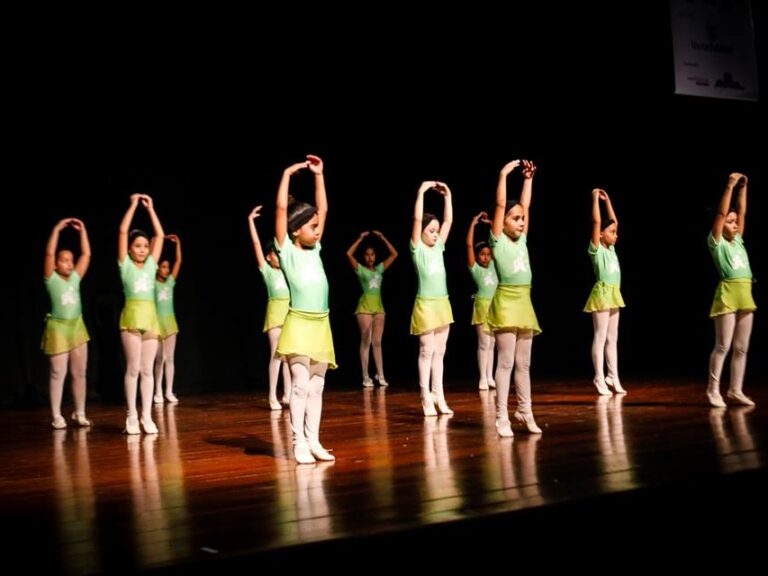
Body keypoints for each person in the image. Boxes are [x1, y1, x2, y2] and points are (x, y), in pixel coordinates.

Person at [274, 154, 336, 464]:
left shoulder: (317, 247)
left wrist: (319, 175)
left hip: (321, 324)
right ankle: (298, 440)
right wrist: (288, 173)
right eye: (312, 227)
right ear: (296, 230)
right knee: (299, 385)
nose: (318, 230)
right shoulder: (286, 250)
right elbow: (282, 209)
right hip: (299, 322)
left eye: (318, 226)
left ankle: (313, 439)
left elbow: (323, 208)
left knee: (317, 386)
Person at [487, 160, 542, 437]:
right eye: (515, 218)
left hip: (524, 303)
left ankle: (525, 410)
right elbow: (499, 205)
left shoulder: (522, 240)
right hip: (506, 303)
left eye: (521, 219)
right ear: (503, 222)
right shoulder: (498, 241)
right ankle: (501, 417)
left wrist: (528, 179)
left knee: (524, 364)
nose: (520, 222)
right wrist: (504, 174)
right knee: (506, 362)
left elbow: (526, 204)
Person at [706, 173, 756, 407]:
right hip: (727, 294)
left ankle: (735, 389)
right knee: (723, 345)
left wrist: (744, 188)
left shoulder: (738, 241)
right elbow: (721, 213)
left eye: (736, 222)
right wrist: (730, 186)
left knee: (742, 347)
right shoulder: (717, 243)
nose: (734, 224)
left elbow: (742, 212)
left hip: (745, 294)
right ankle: (713, 389)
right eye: (730, 221)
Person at [118, 193, 166, 435]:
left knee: (148, 370)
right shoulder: (125, 264)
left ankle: (147, 416)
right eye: (137, 246)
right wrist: (134, 206)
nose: (142, 249)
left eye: (145, 246)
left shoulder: (150, 265)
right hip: (131, 319)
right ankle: (131, 416)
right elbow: (122, 231)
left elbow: (159, 235)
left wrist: (151, 208)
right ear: (129, 249)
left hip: (150, 319)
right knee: (133, 368)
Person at [42, 218, 92, 429]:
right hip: (58, 328)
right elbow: (49, 253)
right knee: (57, 373)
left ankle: (79, 413)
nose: (69, 263)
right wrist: (56, 230)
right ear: (55, 264)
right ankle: (56, 414)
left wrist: (82, 232)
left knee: (79, 372)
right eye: (64, 260)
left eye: (71, 260)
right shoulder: (51, 278)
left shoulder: (75, 278)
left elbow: (87, 255)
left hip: (77, 327)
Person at [410, 180, 454, 416]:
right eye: (431, 231)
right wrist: (422, 191)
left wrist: (448, 195)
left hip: (442, 303)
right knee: (426, 351)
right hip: (425, 305)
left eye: (437, 232)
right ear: (422, 232)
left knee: (440, 351)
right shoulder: (418, 249)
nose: (436, 235)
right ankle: (425, 397)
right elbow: (417, 221)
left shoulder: (438, 247)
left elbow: (449, 221)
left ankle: (439, 396)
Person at [248, 205, 292, 410]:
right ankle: (272, 396)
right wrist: (251, 221)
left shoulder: (288, 269)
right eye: (275, 254)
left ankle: (289, 395)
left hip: (290, 314)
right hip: (275, 314)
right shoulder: (268, 272)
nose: (279, 257)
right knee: (276, 355)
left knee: (288, 356)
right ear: (268, 257)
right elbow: (256, 244)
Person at [584, 189, 626, 396]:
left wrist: (608, 201)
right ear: (601, 234)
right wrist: (595, 200)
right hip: (601, 293)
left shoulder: (611, 249)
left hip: (614, 293)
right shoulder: (597, 249)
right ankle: (599, 377)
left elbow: (614, 222)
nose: (615, 235)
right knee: (600, 337)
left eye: (616, 233)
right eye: (611, 233)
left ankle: (613, 376)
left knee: (613, 338)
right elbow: (597, 222)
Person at [346, 230, 398, 387]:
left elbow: (394, 254)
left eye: (372, 254)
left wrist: (383, 238)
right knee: (366, 340)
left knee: (377, 342)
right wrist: (359, 239)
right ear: (364, 256)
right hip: (364, 309)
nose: (370, 257)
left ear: (375, 256)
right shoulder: (361, 270)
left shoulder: (380, 269)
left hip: (379, 309)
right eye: (367, 254)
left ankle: (380, 375)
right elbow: (348, 254)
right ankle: (365, 376)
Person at [466, 211, 498, 391]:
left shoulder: (494, 265)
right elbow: (469, 245)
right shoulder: (476, 270)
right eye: (482, 254)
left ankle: (490, 376)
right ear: (478, 257)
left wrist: (491, 223)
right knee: (484, 344)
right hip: (482, 307)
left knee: (493, 344)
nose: (486, 257)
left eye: (488, 254)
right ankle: (482, 378)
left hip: (496, 306)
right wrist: (473, 224)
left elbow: (496, 239)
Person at [153, 234, 182, 405]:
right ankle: (157, 390)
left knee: (170, 358)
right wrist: (157, 241)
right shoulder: (153, 283)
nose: (166, 270)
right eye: (163, 267)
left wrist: (178, 244)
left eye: (167, 267)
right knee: (159, 359)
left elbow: (178, 262)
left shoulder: (170, 282)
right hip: (157, 322)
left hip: (170, 322)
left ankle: (168, 391)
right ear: (157, 268)